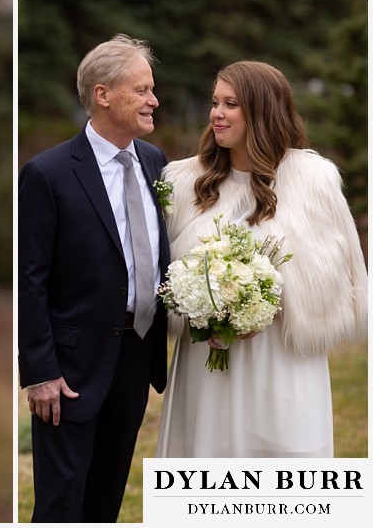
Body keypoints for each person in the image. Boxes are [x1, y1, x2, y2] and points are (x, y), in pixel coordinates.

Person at [155, 61, 367, 457]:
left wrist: (264, 306)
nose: (217, 113)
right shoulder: (184, 183)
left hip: (281, 359)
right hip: (207, 361)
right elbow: (163, 277)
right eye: (215, 102)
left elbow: (337, 278)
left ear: (262, 110)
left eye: (231, 104)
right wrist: (204, 309)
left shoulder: (312, 179)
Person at [18, 34, 170, 522]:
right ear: (103, 95)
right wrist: (40, 370)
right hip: (70, 369)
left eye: (153, 89)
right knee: (62, 504)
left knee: (106, 499)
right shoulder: (48, 173)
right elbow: (30, 279)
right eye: (142, 90)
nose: (154, 100)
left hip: (136, 354)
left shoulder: (155, 163)